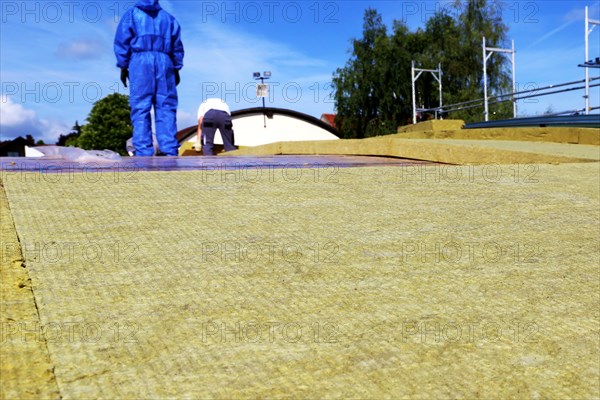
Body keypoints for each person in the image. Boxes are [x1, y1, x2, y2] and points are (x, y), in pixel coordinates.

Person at [114, 0, 184, 157]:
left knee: (140, 107)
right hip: (165, 61)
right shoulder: (168, 18)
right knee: (166, 106)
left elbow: (122, 40)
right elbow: (177, 45)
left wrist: (123, 65)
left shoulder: (131, 15)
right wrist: (176, 67)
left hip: (139, 62)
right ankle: (169, 150)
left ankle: (143, 152)